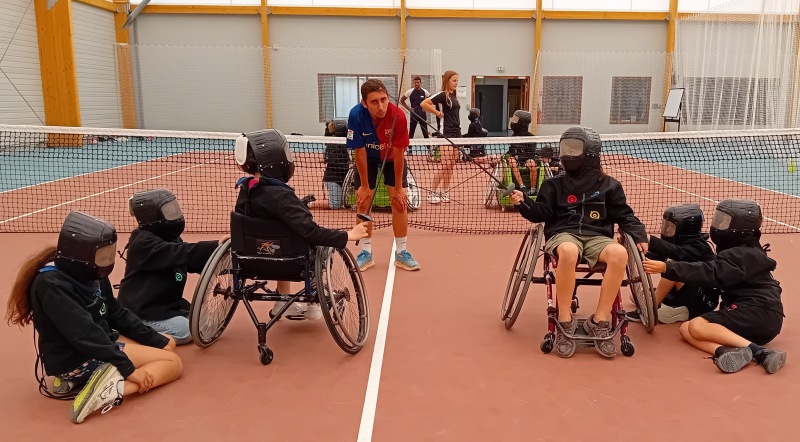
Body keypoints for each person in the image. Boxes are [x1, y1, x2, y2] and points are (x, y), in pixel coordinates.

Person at [5, 211, 182, 424]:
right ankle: (113, 389)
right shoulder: (52, 285)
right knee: (173, 363)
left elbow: (115, 312)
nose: (106, 261)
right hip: (75, 358)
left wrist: (154, 339)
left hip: (96, 343)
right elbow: (84, 334)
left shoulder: (90, 271)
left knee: (168, 344)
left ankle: (88, 379)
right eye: (102, 255)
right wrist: (128, 369)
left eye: (109, 253)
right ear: (80, 254)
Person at [510, 126, 649, 358]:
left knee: (619, 254)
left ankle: (600, 321)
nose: (568, 154)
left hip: (597, 237)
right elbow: (540, 213)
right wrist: (523, 202)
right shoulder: (553, 184)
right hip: (563, 234)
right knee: (568, 251)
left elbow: (625, 216)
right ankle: (564, 320)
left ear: (590, 153)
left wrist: (639, 234)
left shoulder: (610, 186)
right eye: (566, 148)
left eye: (574, 149)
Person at [234, 129, 369, 319]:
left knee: (276, 243)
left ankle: (282, 301)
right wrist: (347, 235)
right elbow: (311, 232)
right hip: (292, 263)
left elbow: (243, 219)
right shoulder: (283, 196)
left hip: (251, 261)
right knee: (321, 248)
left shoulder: (245, 191)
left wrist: (233, 236)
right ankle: (314, 303)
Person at [643, 199, 786, 374]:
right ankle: (724, 352)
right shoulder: (739, 250)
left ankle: (762, 353)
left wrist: (668, 268)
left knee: (697, 326)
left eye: (725, 221)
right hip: (752, 315)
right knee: (686, 328)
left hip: (759, 312)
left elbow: (711, 272)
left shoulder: (744, 254)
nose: (719, 225)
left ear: (739, 227)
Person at [118, 189, 227, 345]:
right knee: (187, 332)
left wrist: (224, 263)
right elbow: (183, 253)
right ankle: (133, 330)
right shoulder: (143, 243)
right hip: (143, 310)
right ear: (151, 216)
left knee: (206, 323)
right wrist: (216, 246)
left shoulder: (169, 237)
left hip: (166, 304)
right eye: (168, 211)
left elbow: (189, 261)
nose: (174, 214)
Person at [345, 78, 420, 272]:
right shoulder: (356, 115)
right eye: (374, 102)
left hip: (392, 159)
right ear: (364, 103)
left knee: (399, 202)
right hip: (368, 159)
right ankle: (365, 253)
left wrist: (398, 188)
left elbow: (399, 153)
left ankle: (401, 253)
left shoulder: (398, 116)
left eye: (384, 100)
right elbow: (360, 152)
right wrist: (364, 186)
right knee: (363, 202)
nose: (381, 106)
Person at [627, 203, 720, 324]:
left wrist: (646, 238)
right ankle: (679, 309)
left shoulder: (699, 248)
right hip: (687, 292)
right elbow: (657, 255)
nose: (667, 230)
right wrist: (633, 247)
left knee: (673, 265)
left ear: (684, 228)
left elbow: (673, 251)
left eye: (671, 227)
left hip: (703, 301)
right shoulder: (680, 242)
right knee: (634, 297)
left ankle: (651, 308)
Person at [421, 70, 461, 204]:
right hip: (446, 134)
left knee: (451, 165)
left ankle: (444, 192)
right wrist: (437, 113)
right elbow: (424, 104)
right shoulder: (442, 95)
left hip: (457, 134)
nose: (456, 83)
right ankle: (432, 192)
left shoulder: (453, 96)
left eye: (457, 81)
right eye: (454, 80)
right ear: (447, 80)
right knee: (445, 165)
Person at [506, 110, 540, 196]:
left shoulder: (531, 137)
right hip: (515, 160)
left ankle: (533, 189)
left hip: (527, 160)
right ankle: (522, 186)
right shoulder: (513, 137)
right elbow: (511, 151)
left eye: (516, 120)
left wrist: (520, 156)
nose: (513, 122)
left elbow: (532, 153)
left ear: (522, 123)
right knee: (511, 161)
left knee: (532, 164)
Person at [322, 119, 351, 209]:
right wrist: (349, 165)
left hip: (340, 178)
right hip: (333, 179)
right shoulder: (335, 143)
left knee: (342, 204)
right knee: (335, 205)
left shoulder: (341, 142)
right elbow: (335, 162)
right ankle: (308, 203)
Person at [400, 76, 430, 140]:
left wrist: (426, 108)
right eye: (415, 82)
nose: (416, 84)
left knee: (425, 133)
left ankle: (428, 146)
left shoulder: (425, 92)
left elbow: (431, 100)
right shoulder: (409, 92)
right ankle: (409, 146)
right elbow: (402, 100)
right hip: (414, 115)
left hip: (422, 115)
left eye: (418, 82)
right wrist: (408, 108)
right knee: (411, 133)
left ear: (420, 83)